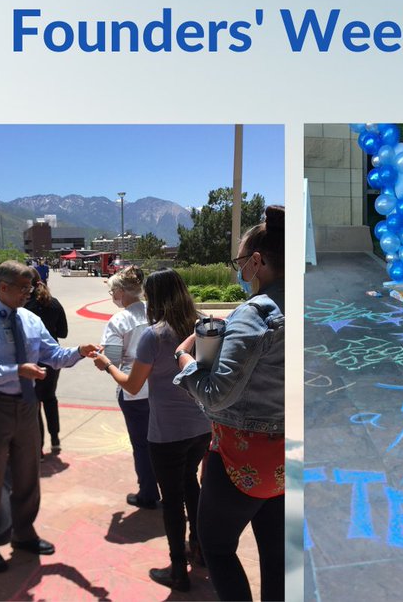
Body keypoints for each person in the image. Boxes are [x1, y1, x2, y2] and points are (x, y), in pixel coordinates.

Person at [176, 205, 285, 601]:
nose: (238, 270)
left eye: (240, 261)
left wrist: (186, 362)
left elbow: (216, 395)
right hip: (289, 457)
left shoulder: (256, 313)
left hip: (244, 455)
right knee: (276, 554)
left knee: (218, 547)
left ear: (256, 262)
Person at [0, 260, 100, 573]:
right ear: (3, 287)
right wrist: (16, 371)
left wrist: (79, 351)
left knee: (27, 476)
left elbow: (52, 355)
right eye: (23, 288)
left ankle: (24, 533)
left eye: (32, 287)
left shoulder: (29, 319)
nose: (29, 293)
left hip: (26, 407)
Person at [92, 269, 211, 591]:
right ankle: (199, 549)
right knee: (191, 484)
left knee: (172, 500)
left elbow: (132, 386)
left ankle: (177, 570)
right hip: (202, 425)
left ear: (154, 297)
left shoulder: (155, 335)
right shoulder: (204, 324)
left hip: (168, 431)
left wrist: (108, 366)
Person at [99, 265, 157, 510]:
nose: (113, 297)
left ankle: (148, 492)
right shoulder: (156, 312)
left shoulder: (119, 321)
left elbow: (111, 358)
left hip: (134, 390)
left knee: (142, 445)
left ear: (122, 292)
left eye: (113, 292)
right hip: (162, 388)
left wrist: (103, 361)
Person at [23, 268, 66, 457]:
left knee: (35, 403)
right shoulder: (54, 303)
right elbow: (63, 333)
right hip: (53, 359)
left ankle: (38, 447)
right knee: (50, 398)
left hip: (32, 359)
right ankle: (55, 440)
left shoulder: (24, 307)